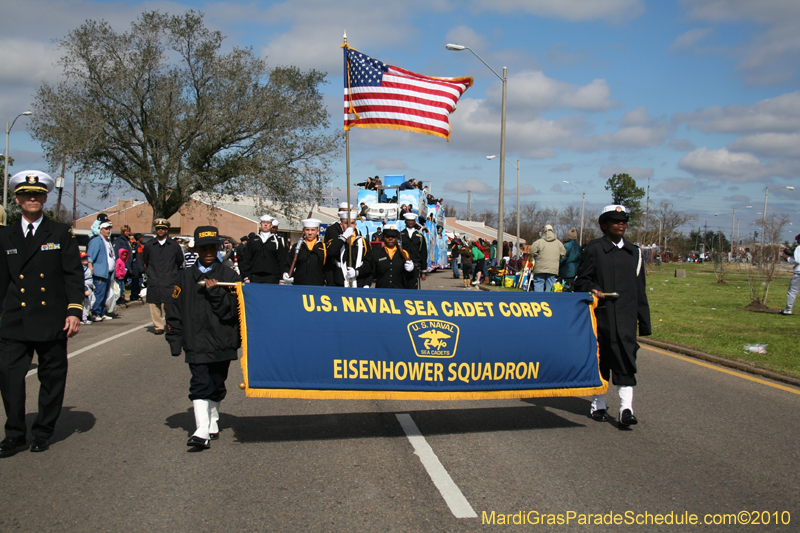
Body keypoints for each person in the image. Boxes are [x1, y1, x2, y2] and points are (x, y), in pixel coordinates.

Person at [0, 170, 84, 457]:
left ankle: (43, 431)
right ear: (18, 200)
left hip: (51, 319)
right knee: (9, 379)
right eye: (26, 195)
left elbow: (73, 275)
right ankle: (14, 434)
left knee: (51, 377)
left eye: (37, 195)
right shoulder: (5, 234)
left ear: (45, 198)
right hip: (15, 319)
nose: (31, 199)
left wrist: (74, 310)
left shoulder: (60, 232)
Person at [574, 205, 651, 427]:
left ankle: (626, 408)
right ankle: (598, 403)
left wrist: (643, 322)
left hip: (625, 317)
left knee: (626, 360)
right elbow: (581, 281)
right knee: (601, 360)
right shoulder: (594, 249)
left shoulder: (634, 252)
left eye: (623, 221)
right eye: (615, 221)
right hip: (602, 316)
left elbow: (640, 288)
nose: (621, 224)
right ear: (603, 225)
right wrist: (594, 288)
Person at [166, 226, 241, 449]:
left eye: (212, 247)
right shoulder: (185, 276)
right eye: (203, 248)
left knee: (217, 382)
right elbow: (175, 311)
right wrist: (175, 340)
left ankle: (213, 420)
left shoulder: (229, 275)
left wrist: (216, 292)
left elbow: (232, 312)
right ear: (197, 249)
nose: (208, 251)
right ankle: (200, 429)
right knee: (199, 383)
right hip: (195, 341)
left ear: (218, 248)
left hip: (222, 340)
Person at [142, 218, 184, 334]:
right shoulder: (150, 245)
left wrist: (172, 271)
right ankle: (158, 326)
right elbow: (145, 259)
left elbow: (179, 260)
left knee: (169, 304)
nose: (160, 230)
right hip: (154, 278)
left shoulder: (174, 245)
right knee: (154, 304)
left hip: (169, 278)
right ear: (155, 230)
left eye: (163, 228)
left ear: (167, 230)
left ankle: (170, 323)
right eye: (158, 228)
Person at [328, 214, 373, 288]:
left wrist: (358, 272)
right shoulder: (335, 240)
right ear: (341, 225)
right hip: (340, 284)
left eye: (352, 223)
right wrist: (344, 237)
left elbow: (369, 263)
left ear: (355, 225)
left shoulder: (363, 242)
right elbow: (331, 253)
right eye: (346, 223)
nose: (349, 226)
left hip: (359, 283)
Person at [240, 215, 286, 284]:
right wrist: (246, 277)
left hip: (272, 277)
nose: (265, 224)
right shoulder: (253, 241)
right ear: (260, 224)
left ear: (271, 225)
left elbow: (282, 261)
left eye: (268, 223)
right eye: (264, 222)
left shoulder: (277, 242)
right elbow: (246, 259)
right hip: (255, 277)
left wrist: (281, 279)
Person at [86, 220, 116, 321]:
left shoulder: (108, 241)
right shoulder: (96, 241)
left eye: (109, 229)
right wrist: (90, 267)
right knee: (99, 293)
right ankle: (95, 313)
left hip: (108, 273)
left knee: (105, 293)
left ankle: (102, 312)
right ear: (101, 230)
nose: (108, 231)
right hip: (100, 273)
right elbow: (90, 256)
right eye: (106, 229)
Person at [283, 219, 326, 286]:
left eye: (313, 230)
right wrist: (286, 273)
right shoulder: (296, 247)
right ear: (303, 231)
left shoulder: (324, 248)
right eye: (307, 230)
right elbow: (288, 263)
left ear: (318, 231)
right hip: (299, 285)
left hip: (318, 285)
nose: (310, 233)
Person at [530, 224, 566, 292]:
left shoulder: (539, 242)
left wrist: (537, 257)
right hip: (553, 268)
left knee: (538, 283)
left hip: (540, 267)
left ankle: (539, 300)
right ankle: (549, 301)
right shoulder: (558, 243)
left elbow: (532, 251)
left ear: (544, 231)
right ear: (553, 231)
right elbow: (563, 253)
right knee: (550, 285)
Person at [401, 212, 427, 287]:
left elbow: (423, 253)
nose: (410, 222)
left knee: (413, 288)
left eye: (412, 220)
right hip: (402, 266)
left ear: (415, 222)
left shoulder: (419, 236)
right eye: (408, 220)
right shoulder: (400, 235)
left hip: (415, 267)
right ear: (405, 222)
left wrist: (424, 271)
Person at [112, 225, 133, 304]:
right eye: (126, 231)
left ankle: (122, 296)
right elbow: (118, 253)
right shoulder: (120, 241)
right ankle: (119, 298)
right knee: (119, 284)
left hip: (126, 264)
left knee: (123, 283)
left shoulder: (127, 240)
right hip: (121, 265)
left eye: (128, 231)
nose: (128, 232)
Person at [780, 234, 800, 315]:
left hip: (799, 272)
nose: (797, 241)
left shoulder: (799, 248)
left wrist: (788, 258)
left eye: (798, 239)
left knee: (792, 291)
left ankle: (788, 310)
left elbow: (798, 260)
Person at [128, 233, 145, 302]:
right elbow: (140, 257)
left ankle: (137, 294)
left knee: (139, 281)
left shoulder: (140, 246)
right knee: (136, 281)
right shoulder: (138, 246)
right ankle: (134, 295)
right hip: (137, 266)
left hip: (139, 265)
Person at [81, 252, 94, 324]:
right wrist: (85, 289)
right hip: (86, 286)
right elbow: (80, 280)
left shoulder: (86, 268)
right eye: (83, 259)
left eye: (86, 258)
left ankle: (85, 315)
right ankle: (83, 318)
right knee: (87, 303)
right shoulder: (81, 269)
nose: (85, 260)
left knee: (92, 301)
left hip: (90, 286)